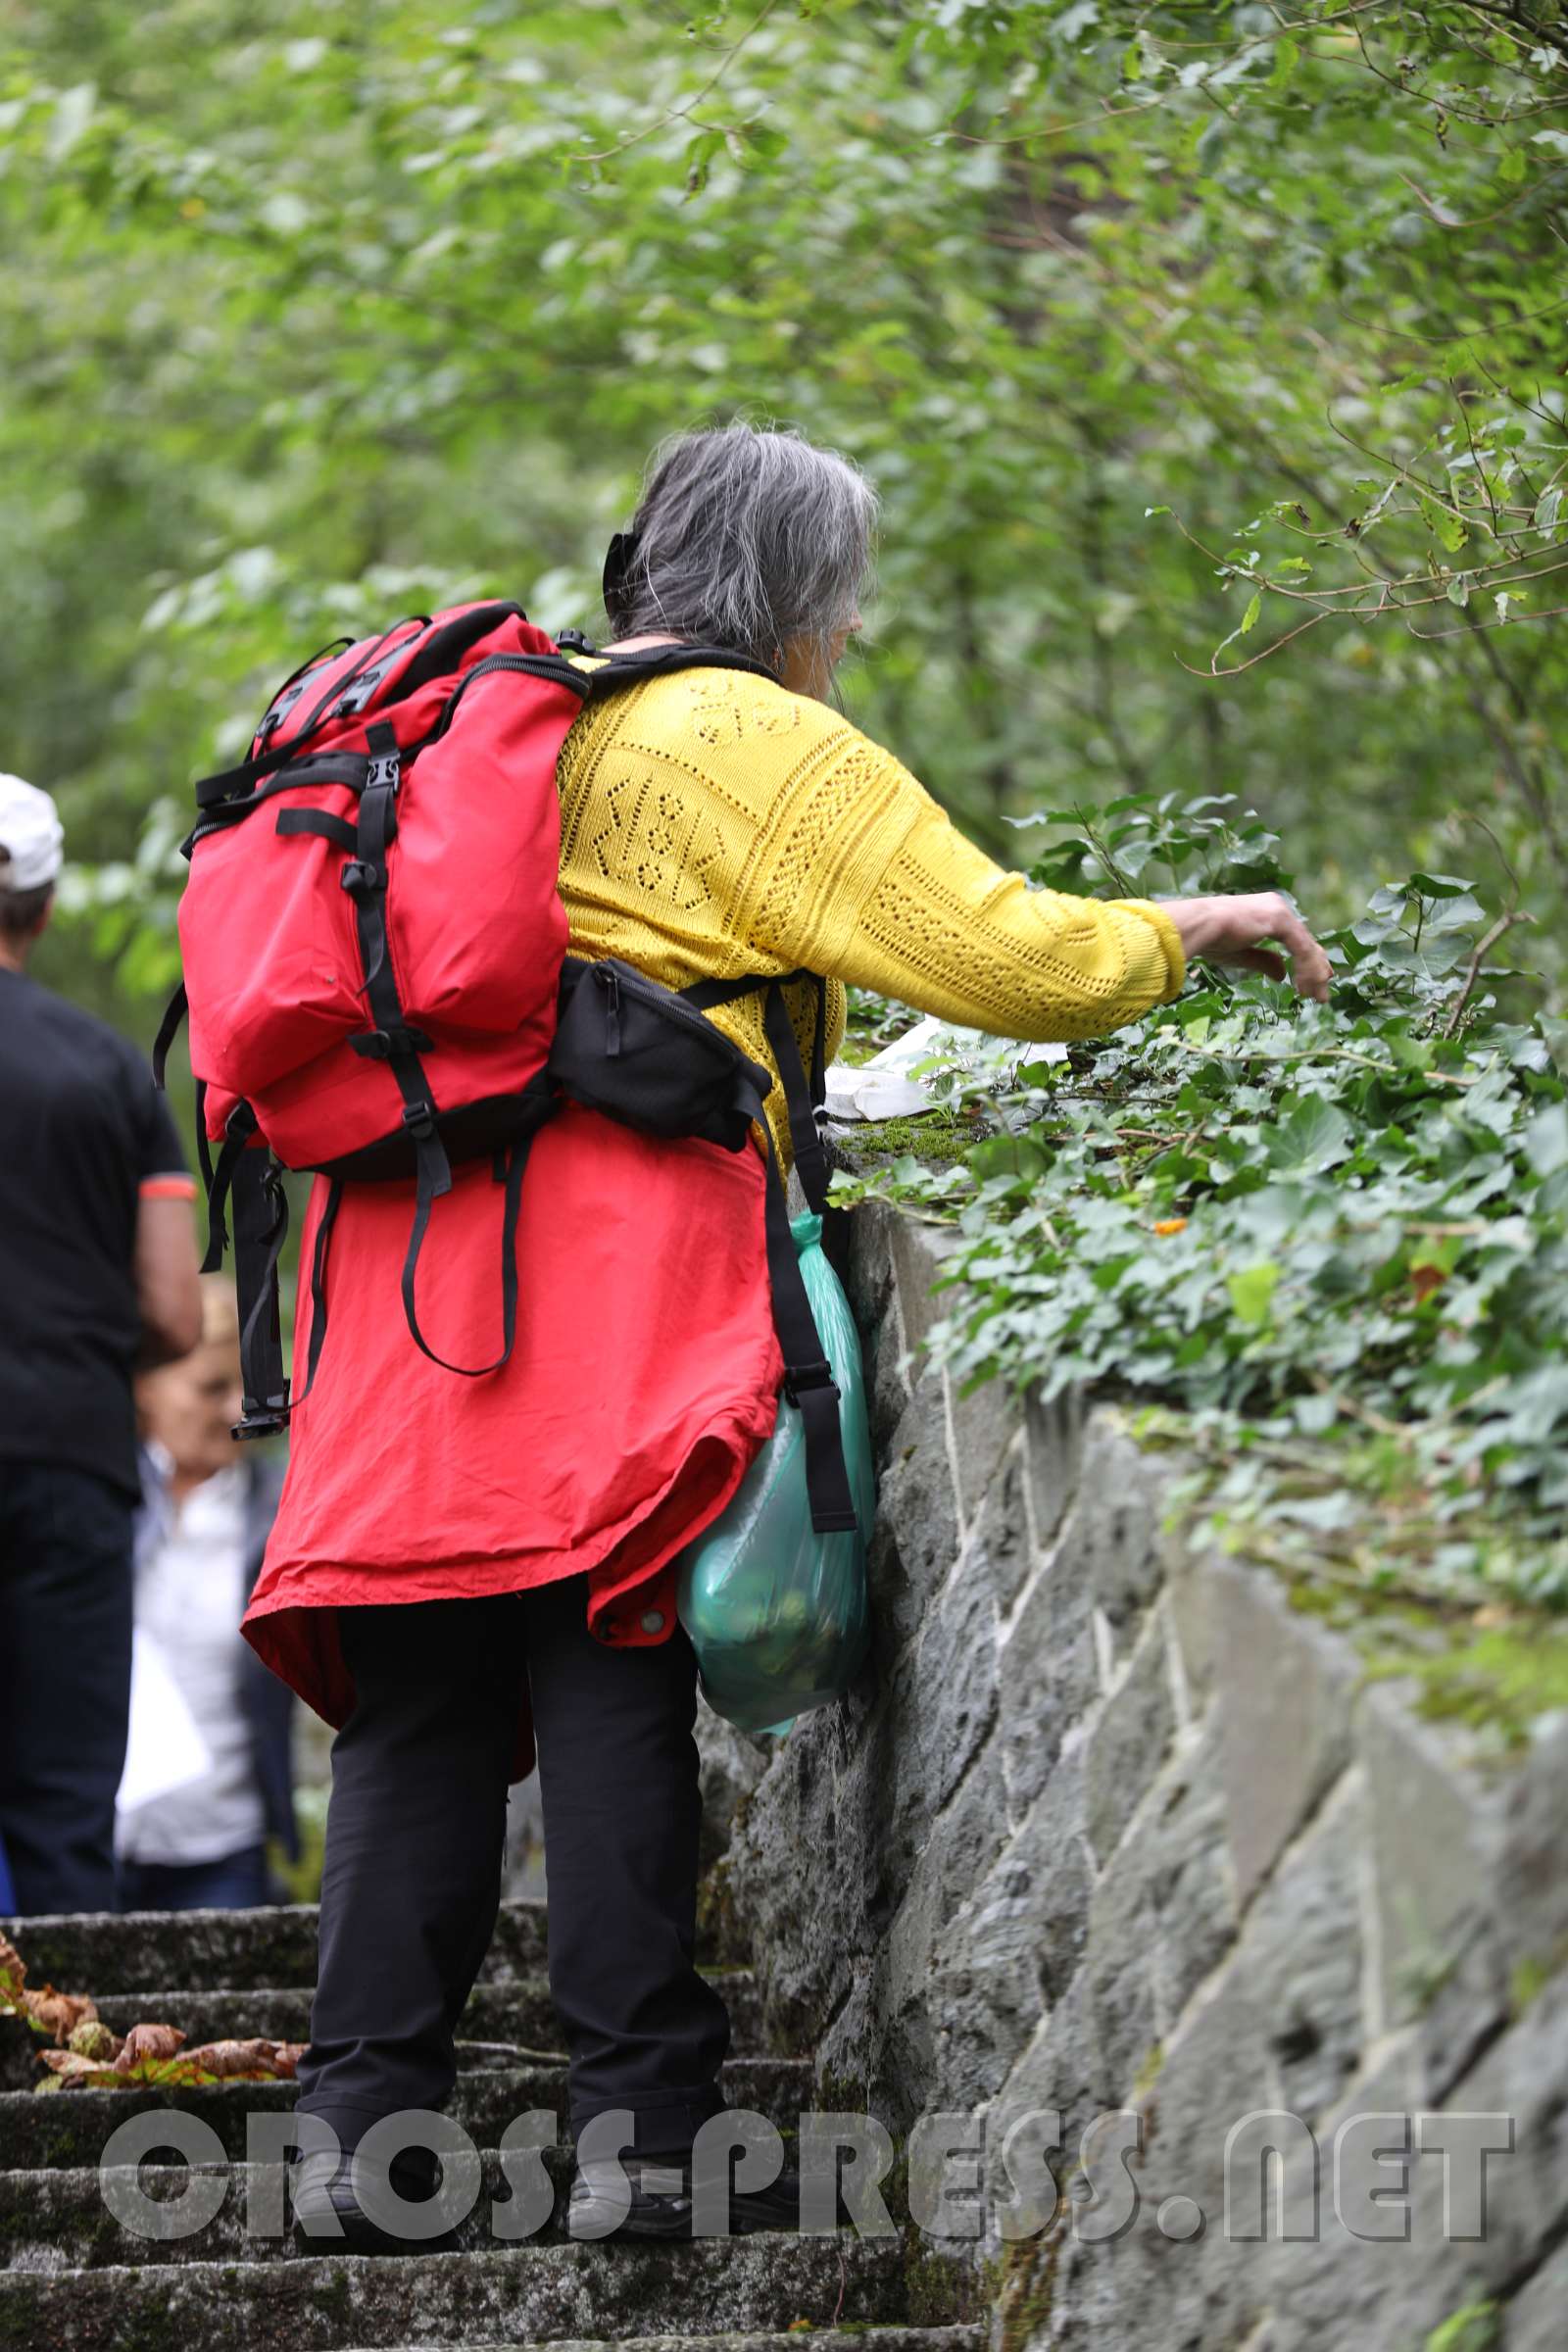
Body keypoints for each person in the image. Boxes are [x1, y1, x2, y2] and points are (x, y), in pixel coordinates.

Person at [244, 424, 1331, 2251]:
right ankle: (643, 2141)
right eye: (851, 603)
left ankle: (355, 2144)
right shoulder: (750, 739)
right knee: (607, 1650)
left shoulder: (485, 727)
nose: (855, 635)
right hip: (605, 1258)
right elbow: (1009, 958)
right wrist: (1193, 925)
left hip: (401, 1255)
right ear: (806, 603)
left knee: (423, 1691)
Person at [0, 772, 203, 1918]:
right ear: (43, 904)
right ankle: (63, 2023)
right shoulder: (110, 1068)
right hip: (69, 1459)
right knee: (63, 1802)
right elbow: (175, 1312)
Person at [117, 1277, 297, 1913]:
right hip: (97, 1838)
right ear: (146, 1387)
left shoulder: (279, 1513)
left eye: (243, 1393)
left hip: (223, 1848)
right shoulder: (100, 1503)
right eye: (210, 1388)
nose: (232, 1414)